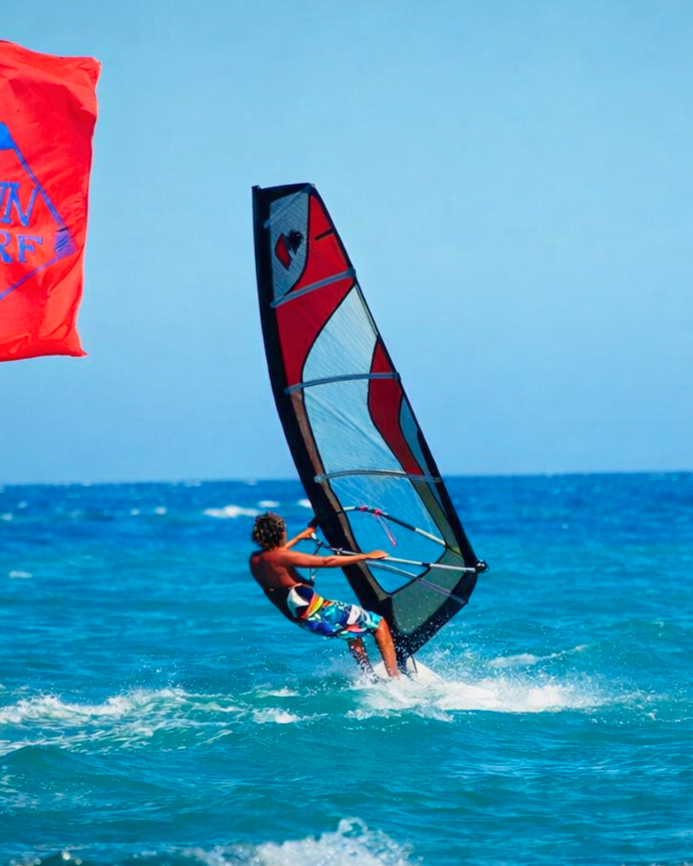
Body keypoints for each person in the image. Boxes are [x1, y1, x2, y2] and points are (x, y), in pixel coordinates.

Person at [249, 512, 400, 678]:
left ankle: (369, 676)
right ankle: (395, 679)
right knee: (378, 623)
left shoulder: (255, 559)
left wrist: (300, 537)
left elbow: (277, 555)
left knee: (350, 630)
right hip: (318, 612)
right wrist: (366, 556)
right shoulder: (283, 557)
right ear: (281, 533)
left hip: (303, 620)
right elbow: (327, 561)